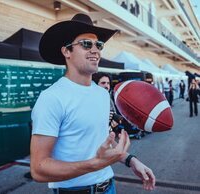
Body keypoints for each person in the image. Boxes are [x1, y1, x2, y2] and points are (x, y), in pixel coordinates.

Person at [30, 13, 155, 194]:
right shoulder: (52, 98)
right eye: (86, 44)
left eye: (99, 45)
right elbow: (39, 169)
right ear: (66, 51)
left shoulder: (102, 94)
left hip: (109, 187)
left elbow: (101, 144)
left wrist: (131, 160)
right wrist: (94, 164)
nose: (95, 50)